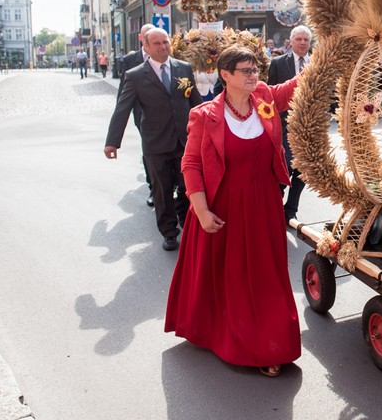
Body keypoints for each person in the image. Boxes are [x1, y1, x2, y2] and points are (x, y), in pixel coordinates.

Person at [165, 46, 302, 378]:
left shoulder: (265, 99)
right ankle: (245, 343)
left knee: (266, 275)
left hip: (265, 204)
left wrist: (329, 54)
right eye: (246, 71)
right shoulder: (204, 114)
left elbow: (296, 87)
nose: (254, 76)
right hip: (224, 206)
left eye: (256, 69)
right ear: (225, 75)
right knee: (234, 277)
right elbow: (192, 164)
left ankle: (271, 340)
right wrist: (200, 211)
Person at [104, 28, 202, 250]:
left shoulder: (183, 68)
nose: (162, 47)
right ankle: (169, 232)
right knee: (162, 189)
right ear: (146, 47)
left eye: (165, 42)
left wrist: (212, 128)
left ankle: (185, 219)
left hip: (184, 141)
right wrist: (112, 141)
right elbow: (122, 109)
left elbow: (195, 102)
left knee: (188, 185)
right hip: (155, 143)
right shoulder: (136, 75)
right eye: (156, 43)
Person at [267, 24, 312, 223]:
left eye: (306, 40)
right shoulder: (277, 63)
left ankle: (290, 209)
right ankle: (275, 203)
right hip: (284, 126)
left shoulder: (318, 64)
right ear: (291, 41)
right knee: (283, 166)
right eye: (299, 39)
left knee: (304, 170)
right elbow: (271, 94)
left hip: (311, 126)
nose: (302, 43)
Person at [118, 23, 156, 207]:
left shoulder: (167, 53)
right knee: (150, 151)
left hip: (165, 112)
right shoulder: (130, 60)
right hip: (142, 114)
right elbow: (123, 92)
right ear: (141, 38)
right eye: (147, 35)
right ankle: (154, 188)